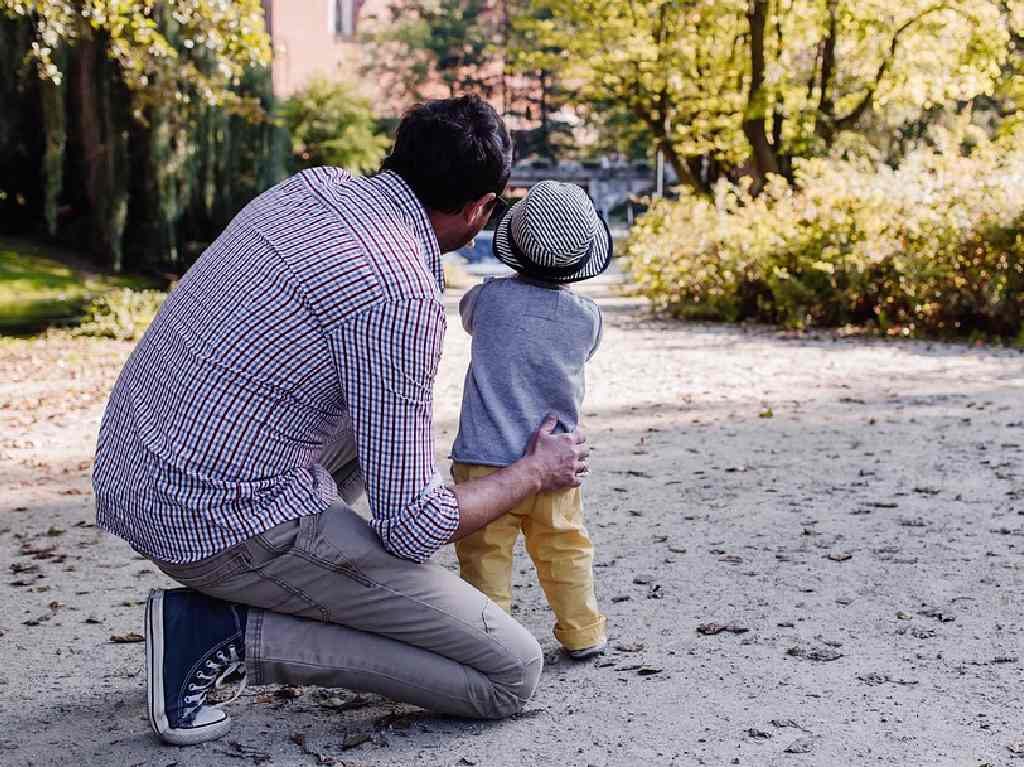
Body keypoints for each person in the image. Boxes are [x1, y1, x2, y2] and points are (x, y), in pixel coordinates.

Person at [91, 95, 589, 747]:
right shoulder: (402, 294)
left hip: (136, 467)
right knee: (508, 671)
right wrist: (533, 470)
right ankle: (219, 634)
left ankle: (300, 581)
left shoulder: (314, 187)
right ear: (477, 209)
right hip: (212, 517)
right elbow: (417, 526)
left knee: (380, 415)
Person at [451, 180, 610, 660]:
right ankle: (583, 632)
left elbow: (465, 317)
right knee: (565, 549)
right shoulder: (587, 318)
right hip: (555, 462)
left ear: (512, 245)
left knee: (484, 559)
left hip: (483, 464)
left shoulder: (487, 300)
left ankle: (491, 642)